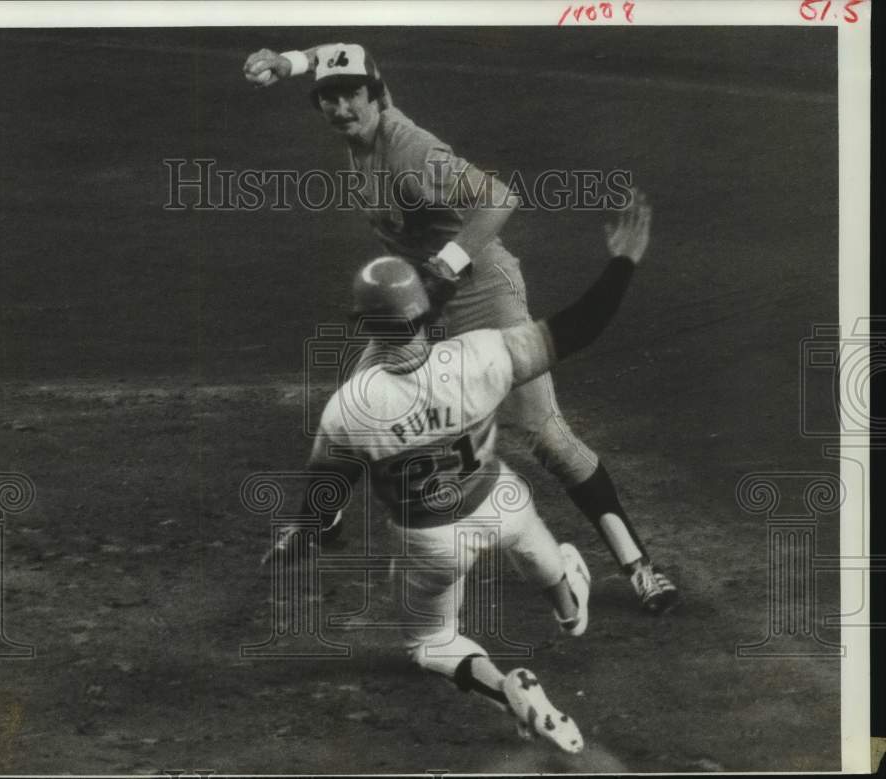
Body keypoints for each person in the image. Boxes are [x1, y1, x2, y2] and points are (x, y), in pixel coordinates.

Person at [244, 42, 678, 613]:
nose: (341, 107)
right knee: (357, 402)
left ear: (376, 95)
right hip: (417, 301)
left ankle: (639, 567)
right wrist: (289, 63)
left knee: (546, 435)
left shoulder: (410, 149)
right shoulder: (363, 124)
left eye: (351, 95)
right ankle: (316, 523)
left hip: (478, 293)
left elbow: (498, 198)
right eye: (328, 97)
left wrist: (444, 271)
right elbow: (345, 50)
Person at [261, 192, 653, 751]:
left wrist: (308, 532)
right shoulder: (483, 355)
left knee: (432, 642)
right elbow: (581, 326)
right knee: (535, 543)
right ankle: (568, 606)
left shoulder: (349, 407)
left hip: (431, 541)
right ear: (428, 312)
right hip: (502, 505)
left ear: (362, 323)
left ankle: (508, 689)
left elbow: (327, 495)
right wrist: (623, 260)